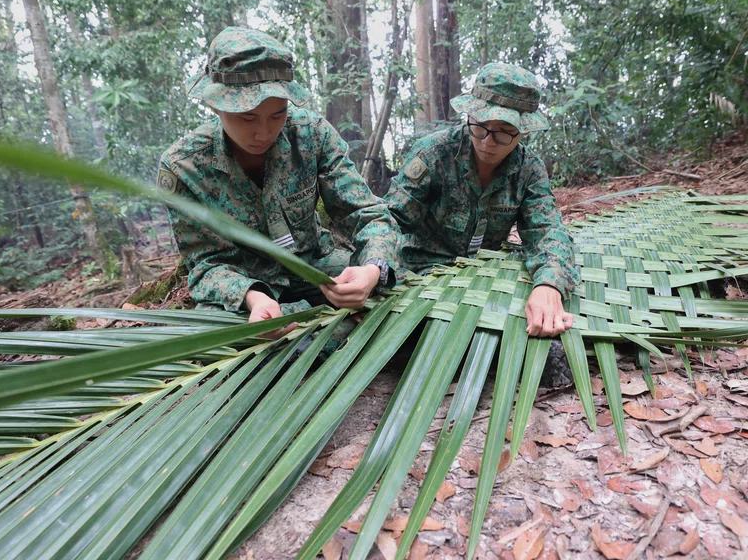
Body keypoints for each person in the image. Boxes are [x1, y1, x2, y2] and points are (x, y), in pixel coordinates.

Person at [158, 27, 398, 339]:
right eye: (247, 117)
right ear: (215, 105)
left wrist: (370, 271)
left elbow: (369, 215)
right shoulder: (184, 165)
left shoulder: (312, 135)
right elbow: (206, 265)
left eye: (278, 114)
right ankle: (317, 339)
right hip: (245, 289)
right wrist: (254, 299)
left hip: (315, 268)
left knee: (396, 286)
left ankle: (314, 339)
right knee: (213, 331)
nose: (263, 132)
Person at [385, 63, 580, 386]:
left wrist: (549, 286)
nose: (488, 141)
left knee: (546, 304)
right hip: (421, 273)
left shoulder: (528, 168)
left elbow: (547, 232)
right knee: (405, 319)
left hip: (484, 277)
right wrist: (377, 271)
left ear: (523, 132)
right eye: (480, 127)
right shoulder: (434, 153)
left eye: (504, 132)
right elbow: (390, 220)